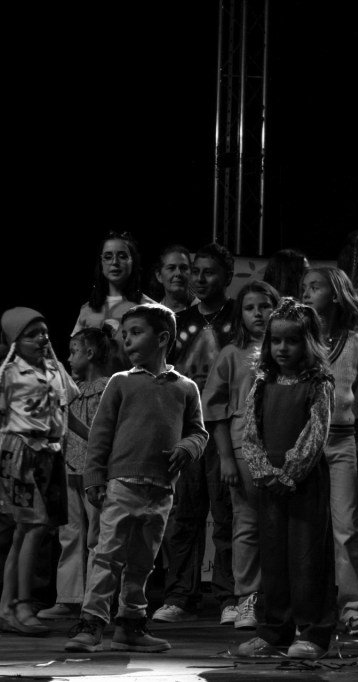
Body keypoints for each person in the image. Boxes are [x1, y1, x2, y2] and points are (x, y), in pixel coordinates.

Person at [63, 303, 208, 653]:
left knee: (143, 561)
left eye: (136, 332)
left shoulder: (185, 387)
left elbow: (198, 432)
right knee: (107, 555)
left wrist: (187, 447)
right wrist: (95, 477)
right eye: (124, 334)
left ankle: (130, 625)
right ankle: (92, 623)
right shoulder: (120, 382)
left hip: (160, 489)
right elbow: (100, 434)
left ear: (162, 338)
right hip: (122, 485)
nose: (127, 340)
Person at [234, 298, 336, 660]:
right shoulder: (263, 382)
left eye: (291, 341)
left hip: (303, 481)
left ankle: (312, 632)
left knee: (307, 557)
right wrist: (263, 470)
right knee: (274, 557)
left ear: (308, 343)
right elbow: (251, 431)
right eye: (276, 341)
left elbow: (315, 432)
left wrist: (290, 473)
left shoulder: (317, 382)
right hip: (270, 482)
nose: (282, 348)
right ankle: (273, 629)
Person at [0, 307, 86, 636]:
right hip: (20, 452)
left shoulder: (55, 370)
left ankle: (6, 609)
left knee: (26, 532)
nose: (42, 339)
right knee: (33, 528)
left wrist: (94, 438)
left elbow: (65, 411)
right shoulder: (9, 373)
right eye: (32, 334)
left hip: (49, 454)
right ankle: (23, 606)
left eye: (44, 332)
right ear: (16, 341)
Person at [155, 242, 237, 625]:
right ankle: (179, 595)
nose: (199, 279)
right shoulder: (178, 321)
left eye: (209, 272)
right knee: (183, 515)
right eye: (196, 271)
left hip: (225, 429)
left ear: (227, 276)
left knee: (226, 515)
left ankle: (229, 596)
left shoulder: (237, 317)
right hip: (187, 429)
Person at [201, 280, 280, 630]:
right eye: (250, 308)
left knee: (280, 524)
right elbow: (214, 409)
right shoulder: (232, 354)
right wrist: (226, 458)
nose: (258, 314)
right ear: (241, 315)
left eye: (265, 306)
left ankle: (277, 599)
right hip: (242, 445)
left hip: (283, 445)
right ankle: (247, 597)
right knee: (246, 522)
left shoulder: (288, 349)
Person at [301, 266, 358, 636]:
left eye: (314, 287)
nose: (306, 293)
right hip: (303, 442)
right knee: (306, 529)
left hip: (342, 440)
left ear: (335, 294)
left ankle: (354, 608)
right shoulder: (299, 341)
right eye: (304, 287)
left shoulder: (357, 343)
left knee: (346, 526)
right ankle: (308, 607)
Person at [37, 327, 111, 621]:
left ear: (90, 353)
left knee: (98, 536)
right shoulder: (69, 388)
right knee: (69, 535)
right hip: (68, 467)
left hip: (96, 473)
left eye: (74, 352)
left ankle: (95, 598)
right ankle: (68, 597)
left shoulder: (109, 388)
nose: (69, 359)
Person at [72, 232, 156, 376]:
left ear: (133, 261)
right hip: (91, 389)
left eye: (122, 256)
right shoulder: (88, 309)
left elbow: (156, 359)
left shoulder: (148, 308)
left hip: (132, 387)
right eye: (108, 256)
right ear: (101, 262)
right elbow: (75, 357)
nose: (115, 262)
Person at [151, 244, 196, 313]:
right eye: (171, 268)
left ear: (191, 273)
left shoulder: (204, 311)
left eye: (183, 268)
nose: (178, 273)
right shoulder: (153, 315)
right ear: (159, 275)